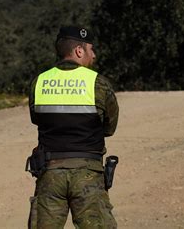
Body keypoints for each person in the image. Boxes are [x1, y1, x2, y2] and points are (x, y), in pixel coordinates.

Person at [27, 26, 119, 228]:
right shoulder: (98, 83)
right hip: (88, 174)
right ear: (79, 51)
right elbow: (109, 127)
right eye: (91, 50)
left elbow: (37, 119)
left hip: (49, 173)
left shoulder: (39, 82)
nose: (93, 56)